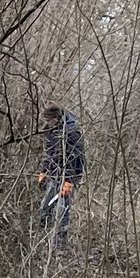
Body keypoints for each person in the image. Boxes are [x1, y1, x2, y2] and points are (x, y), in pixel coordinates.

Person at [36, 104, 85, 244]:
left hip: (68, 176)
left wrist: (69, 181)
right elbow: (49, 152)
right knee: (45, 207)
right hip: (53, 173)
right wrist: (44, 171)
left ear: (56, 118)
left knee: (62, 210)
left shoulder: (72, 132)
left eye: (48, 121)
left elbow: (76, 158)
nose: (46, 124)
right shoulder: (50, 130)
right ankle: (42, 238)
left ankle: (60, 244)